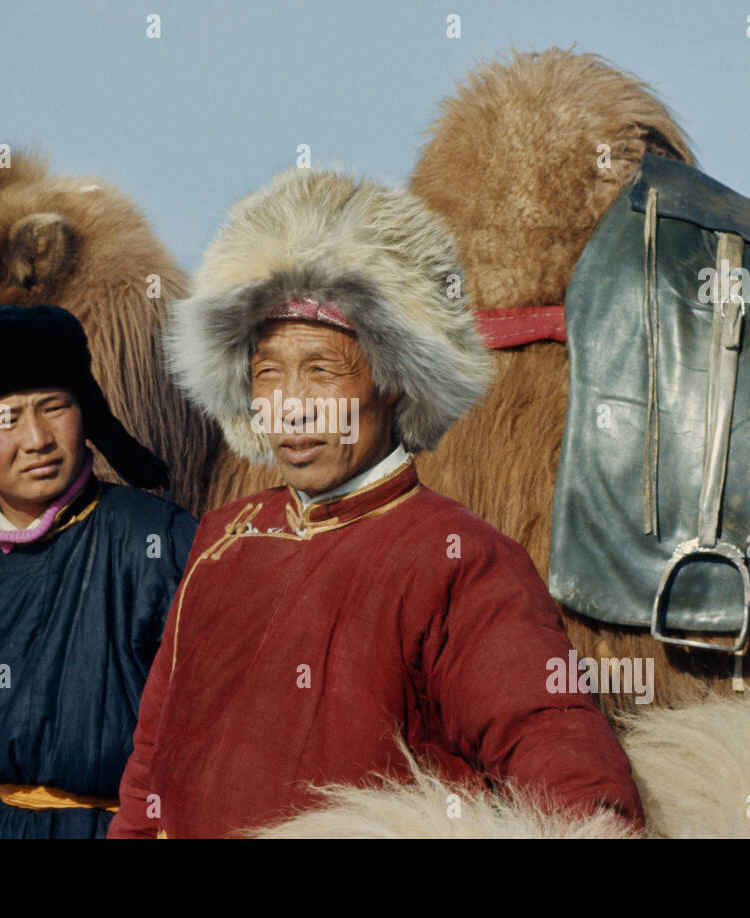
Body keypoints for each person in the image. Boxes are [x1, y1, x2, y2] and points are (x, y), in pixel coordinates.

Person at [108, 169, 645, 838]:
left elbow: (552, 740)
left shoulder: (458, 560)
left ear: (392, 380)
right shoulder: (222, 540)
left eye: (321, 369)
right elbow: (151, 764)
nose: (292, 406)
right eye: (269, 372)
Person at [0, 303, 196, 838]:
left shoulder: (159, 540)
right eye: (5, 419)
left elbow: (206, 717)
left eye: (54, 408)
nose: (36, 439)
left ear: (89, 412)